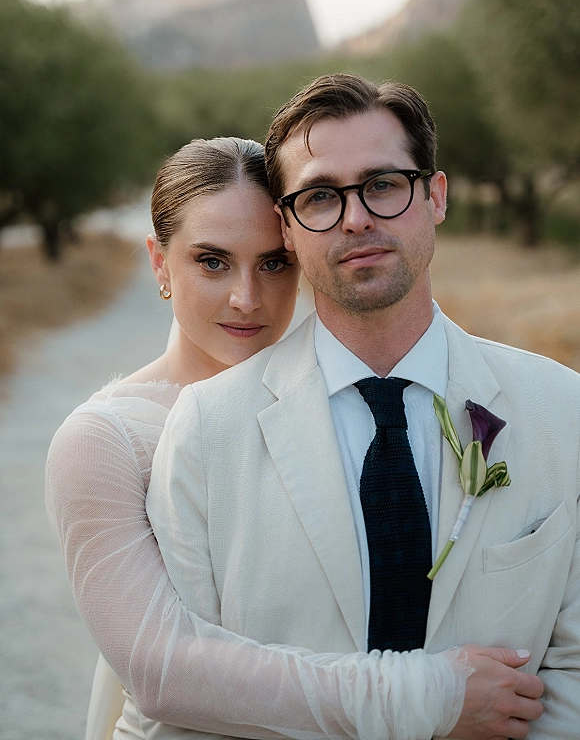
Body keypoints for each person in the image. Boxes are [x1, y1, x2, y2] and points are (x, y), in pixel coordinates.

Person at [147, 74, 579, 740]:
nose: (356, 217)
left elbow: (574, 672)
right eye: (320, 196)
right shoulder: (207, 432)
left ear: (434, 196)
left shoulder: (563, 408)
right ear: (286, 228)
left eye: (383, 184)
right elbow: (187, 701)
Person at [47, 134, 490, 740]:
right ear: (159, 263)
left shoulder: (356, 399)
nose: (246, 299)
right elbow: (160, 668)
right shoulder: (103, 440)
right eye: (212, 261)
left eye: (274, 263)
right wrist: (425, 697)